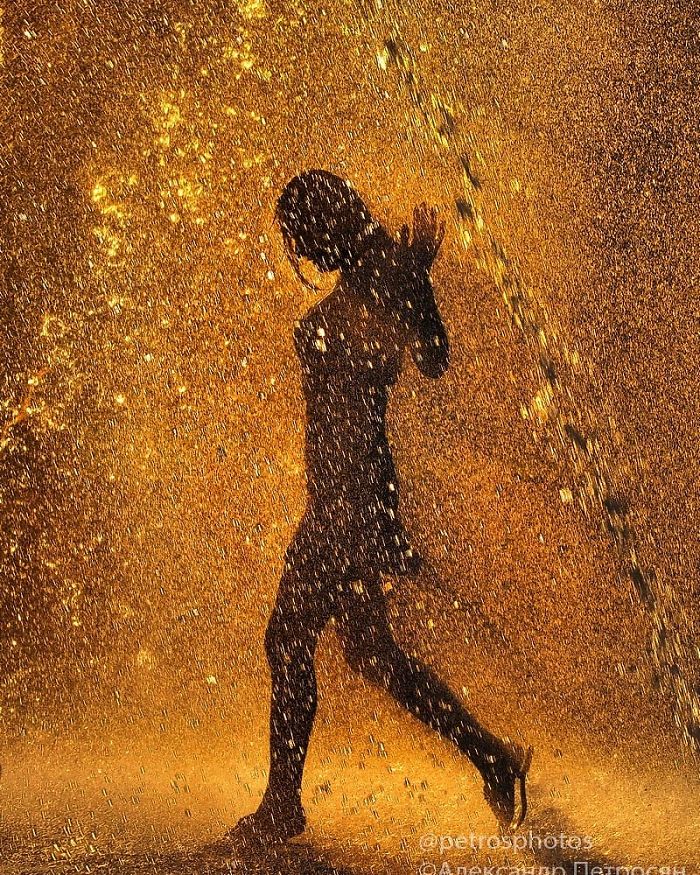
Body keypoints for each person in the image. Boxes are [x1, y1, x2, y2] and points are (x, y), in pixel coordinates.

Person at [229, 170, 532, 847]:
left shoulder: (387, 272)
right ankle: (492, 756)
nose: (302, 250)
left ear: (327, 220)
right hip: (344, 496)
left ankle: (282, 804)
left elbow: (433, 357)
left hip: (352, 499)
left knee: (288, 637)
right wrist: (410, 278)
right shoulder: (373, 274)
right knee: (370, 652)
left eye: (302, 234)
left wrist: (418, 279)